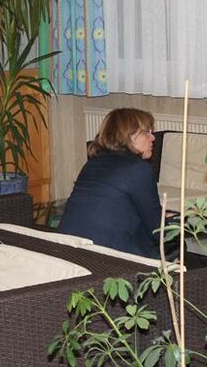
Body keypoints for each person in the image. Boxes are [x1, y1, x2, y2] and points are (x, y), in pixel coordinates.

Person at [58, 108, 162, 259]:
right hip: (108, 258)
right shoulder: (138, 168)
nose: (152, 137)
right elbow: (157, 230)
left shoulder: (91, 164)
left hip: (69, 250)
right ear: (129, 136)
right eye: (147, 132)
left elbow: (113, 207)